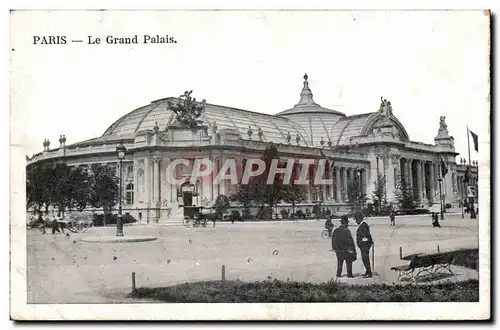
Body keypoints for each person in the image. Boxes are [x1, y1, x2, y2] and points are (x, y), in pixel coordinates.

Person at [354, 211, 373, 278]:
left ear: (360, 219)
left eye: (356, 219)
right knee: (364, 259)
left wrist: (361, 243)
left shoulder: (364, 226)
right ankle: (367, 271)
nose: (356, 221)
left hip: (365, 246)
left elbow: (365, 237)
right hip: (364, 246)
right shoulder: (362, 225)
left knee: (365, 259)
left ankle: (369, 272)